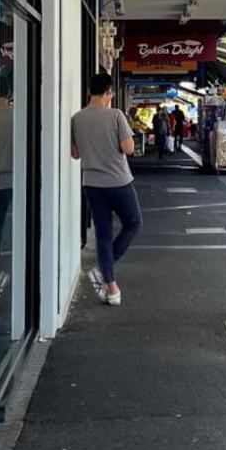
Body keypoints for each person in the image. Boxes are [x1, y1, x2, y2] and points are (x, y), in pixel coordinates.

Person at [70, 70, 141, 306]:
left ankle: (112, 288)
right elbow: (129, 148)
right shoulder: (116, 115)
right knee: (133, 223)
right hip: (119, 182)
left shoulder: (77, 119)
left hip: (92, 184)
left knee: (103, 234)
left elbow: (75, 154)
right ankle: (105, 266)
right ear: (109, 91)